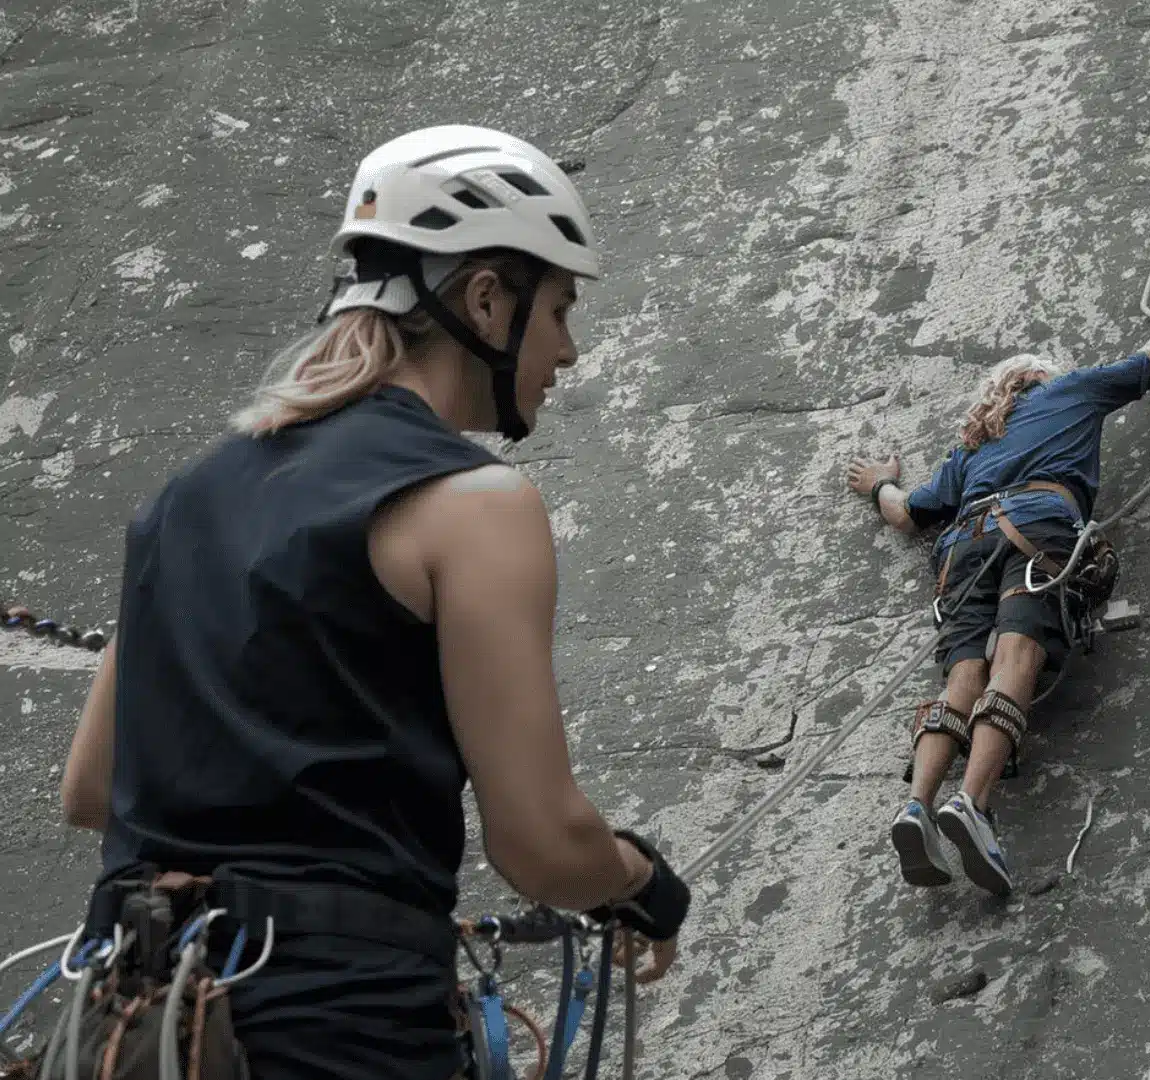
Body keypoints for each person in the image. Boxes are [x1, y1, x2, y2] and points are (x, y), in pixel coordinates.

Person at [53, 124, 691, 1079]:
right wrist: (638, 881)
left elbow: (92, 789)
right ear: (486, 298)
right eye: (558, 306)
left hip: (141, 1022)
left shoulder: (181, 499)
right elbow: (543, 842)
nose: (569, 348)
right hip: (345, 1029)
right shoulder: (474, 506)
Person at [844, 299, 1150, 898]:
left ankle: (916, 808)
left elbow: (906, 514)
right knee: (1015, 660)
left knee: (963, 674)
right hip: (1037, 529)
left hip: (963, 545)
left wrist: (879, 480)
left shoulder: (970, 448)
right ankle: (972, 805)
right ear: (1041, 377)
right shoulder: (1070, 393)